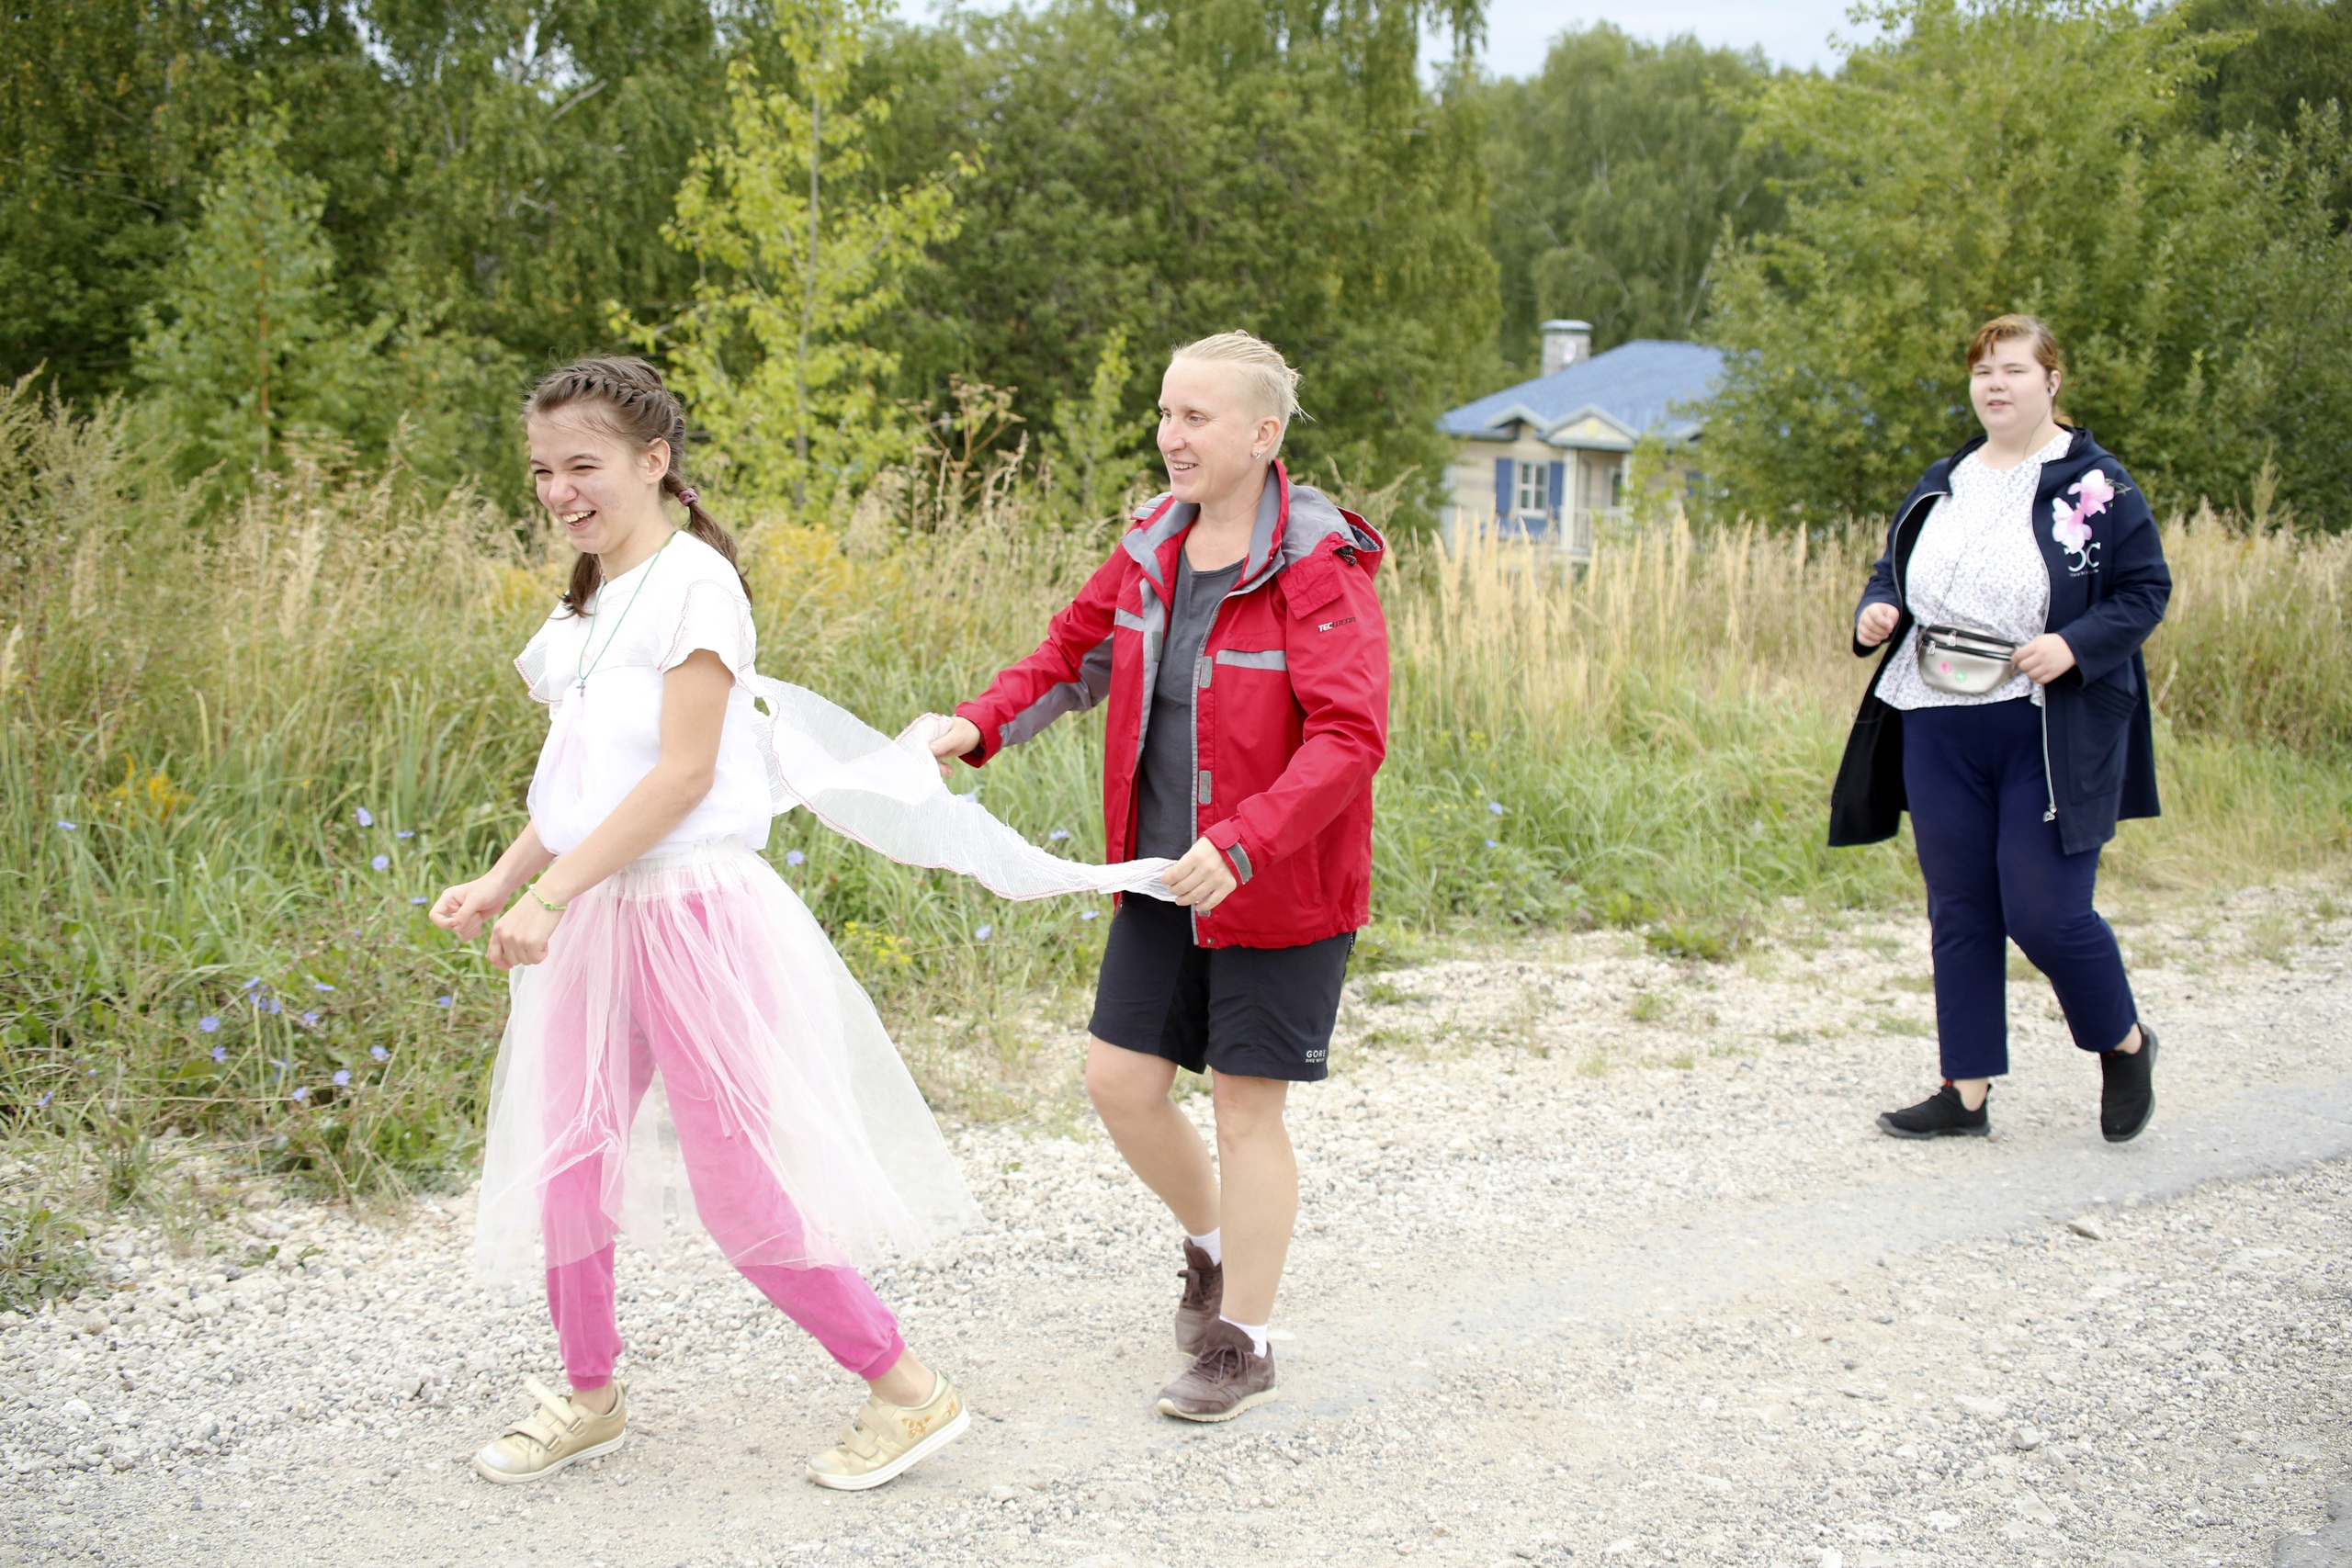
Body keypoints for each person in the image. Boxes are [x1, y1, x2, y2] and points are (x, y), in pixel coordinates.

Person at [431, 357, 977, 1492]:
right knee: (569, 1160)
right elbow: (576, 785)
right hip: (594, 909)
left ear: (652, 461)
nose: (560, 491)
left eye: (583, 465)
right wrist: (504, 877)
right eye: (542, 471)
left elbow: (680, 781)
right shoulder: (584, 602)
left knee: (737, 1188)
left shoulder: (696, 588)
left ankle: (908, 1390)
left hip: (689, 914)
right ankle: (591, 1394)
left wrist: (548, 893)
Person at [927, 331, 1389, 1422]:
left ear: (1262, 435)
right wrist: (975, 724)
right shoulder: (1150, 547)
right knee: (1120, 1085)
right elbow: (1068, 656)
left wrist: (1243, 844)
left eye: (1196, 418)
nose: (1170, 437)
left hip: (1277, 884)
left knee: (1243, 1109)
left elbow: (1348, 736)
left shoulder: (1316, 567)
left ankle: (1245, 1340)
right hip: (1158, 872)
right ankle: (1217, 1248)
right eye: (1166, 414)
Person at [1829, 315, 2171, 1143]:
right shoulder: (1946, 478)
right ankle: (1965, 1089)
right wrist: (1879, 607)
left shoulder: (2096, 484)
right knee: (1961, 906)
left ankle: (2123, 1042)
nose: (1995, 384)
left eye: (2014, 369)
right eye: (1983, 370)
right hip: (1937, 714)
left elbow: (2144, 589)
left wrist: (2073, 645)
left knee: (2046, 911)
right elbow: (1897, 564)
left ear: (2051, 381)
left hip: (2046, 723)